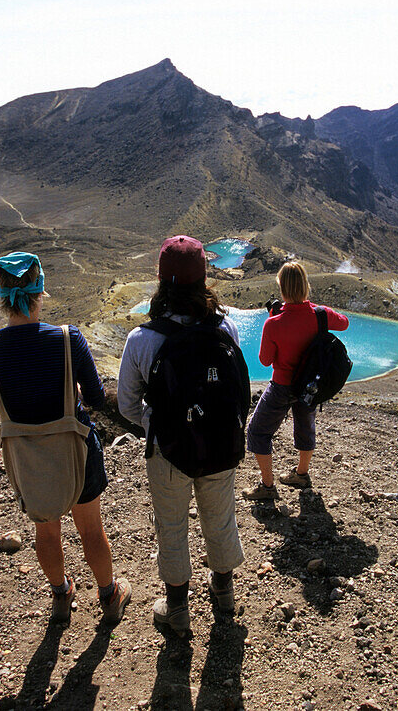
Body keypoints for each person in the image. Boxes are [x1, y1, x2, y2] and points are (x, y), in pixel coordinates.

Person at [0, 252, 131, 626]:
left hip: (26, 453)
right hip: (75, 447)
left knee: (46, 527)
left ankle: (61, 595)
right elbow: (94, 397)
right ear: (40, 290)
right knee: (91, 527)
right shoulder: (66, 338)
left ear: (2, 294)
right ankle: (109, 596)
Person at [118, 235, 246, 636]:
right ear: (203, 277)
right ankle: (224, 595)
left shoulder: (142, 338)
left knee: (171, 527)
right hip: (221, 443)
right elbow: (239, 391)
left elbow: (126, 405)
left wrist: (158, 426)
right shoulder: (226, 328)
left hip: (167, 452)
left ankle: (177, 612)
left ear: (161, 280)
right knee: (220, 519)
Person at [242, 261, 349, 500]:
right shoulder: (320, 315)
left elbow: (264, 360)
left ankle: (267, 487)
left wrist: (275, 319)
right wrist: (319, 311)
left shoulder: (274, 323)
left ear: (282, 288)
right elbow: (344, 322)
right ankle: (301, 474)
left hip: (282, 386)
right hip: (311, 386)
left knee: (258, 432)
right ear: (306, 285)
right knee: (305, 426)